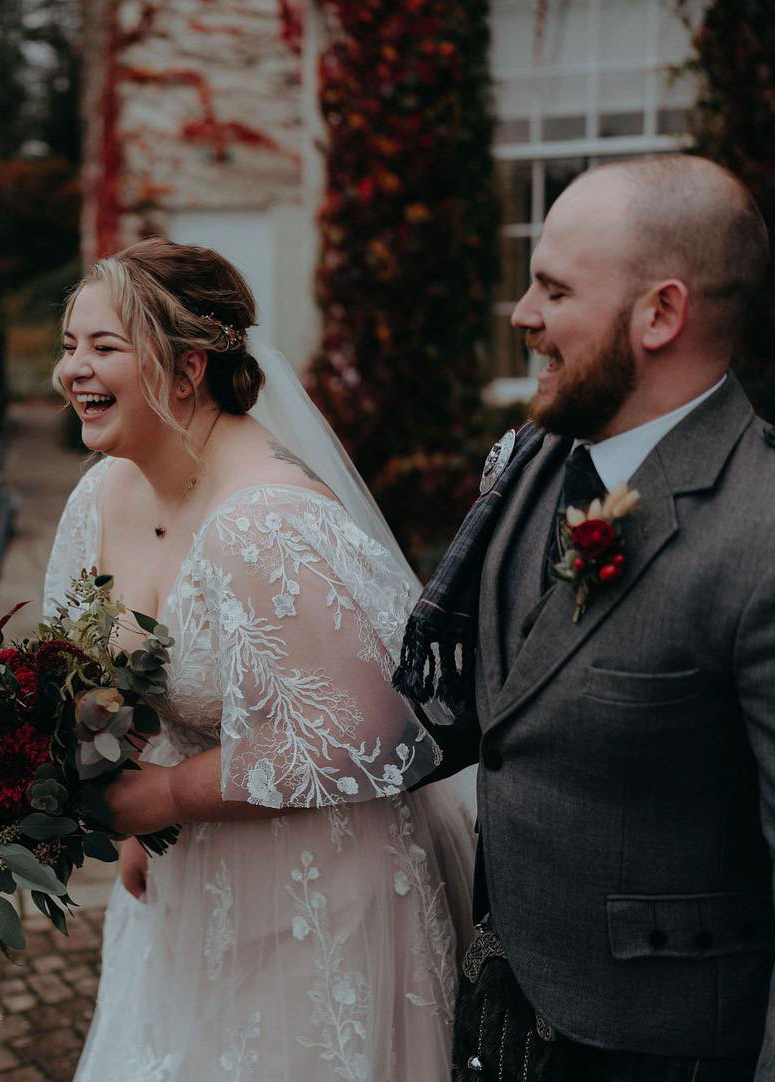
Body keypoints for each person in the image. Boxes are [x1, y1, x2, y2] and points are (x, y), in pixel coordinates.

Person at [394, 155, 775, 1081]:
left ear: (660, 314)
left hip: (664, 1047)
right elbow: (497, 716)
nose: (521, 315)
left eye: (553, 290)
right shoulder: (530, 462)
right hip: (502, 1009)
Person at [42, 237, 477, 1081]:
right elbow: (88, 667)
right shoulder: (102, 493)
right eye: (68, 347)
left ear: (186, 368)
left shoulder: (269, 523)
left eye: (102, 347)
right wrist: (102, 786)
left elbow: (365, 736)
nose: (72, 371)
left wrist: (163, 793)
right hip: (184, 878)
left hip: (317, 887)